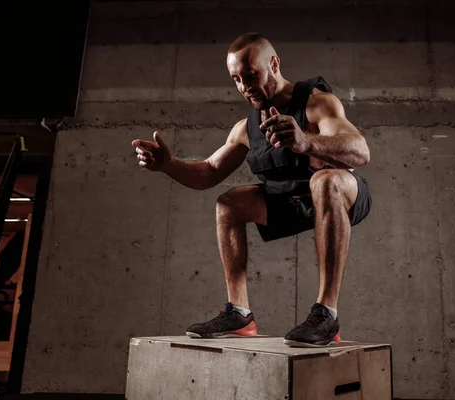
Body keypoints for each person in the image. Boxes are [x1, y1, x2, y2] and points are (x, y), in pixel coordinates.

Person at [131, 32, 372, 347]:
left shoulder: (316, 104)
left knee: (325, 180)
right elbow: (208, 173)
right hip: (294, 204)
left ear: (273, 64)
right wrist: (168, 164)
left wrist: (307, 141)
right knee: (229, 203)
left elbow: (360, 151)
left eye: (250, 75)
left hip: (343, 195)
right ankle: (239, 314)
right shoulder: (245, 129)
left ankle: (327, 314)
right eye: (236, 79)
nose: (244, 86)